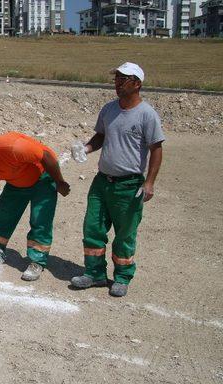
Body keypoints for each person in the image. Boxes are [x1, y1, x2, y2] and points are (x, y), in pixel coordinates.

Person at [70, 62, 164, 297]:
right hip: (102, 182)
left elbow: (156, 149)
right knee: (93, 227)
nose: (118, 83)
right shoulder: (109, 109)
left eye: (123, 79)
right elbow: (101, 135)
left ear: (137, 84)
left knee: (124, 233)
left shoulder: (147, 115)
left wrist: (149, 182)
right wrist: (87, 148)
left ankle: (122, 277)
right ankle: (94, 274)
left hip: (129, 185)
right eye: (116, 79)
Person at [0, 132, 70, 281]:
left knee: (40, 219)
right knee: (5, 215)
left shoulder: (13, 147)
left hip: (42, 177)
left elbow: (46, 156)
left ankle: (37, 261)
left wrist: (59, 182)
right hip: (16, 182)